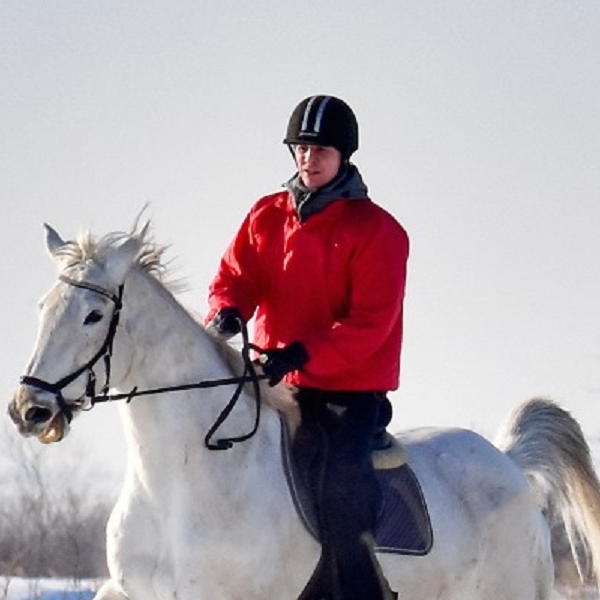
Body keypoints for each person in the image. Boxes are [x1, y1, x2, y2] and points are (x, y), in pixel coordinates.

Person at [207, 94, 408, 598]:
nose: (308, 158)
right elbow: (236, 275)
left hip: (346, 393)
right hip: (275, 382)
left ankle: (365, 590)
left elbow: (370, 324)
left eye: (320, 150)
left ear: (344, 156)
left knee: (339, 485)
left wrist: (302, 353)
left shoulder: (379, 231)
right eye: (301, 147)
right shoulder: (266, 214)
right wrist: (228, 307)